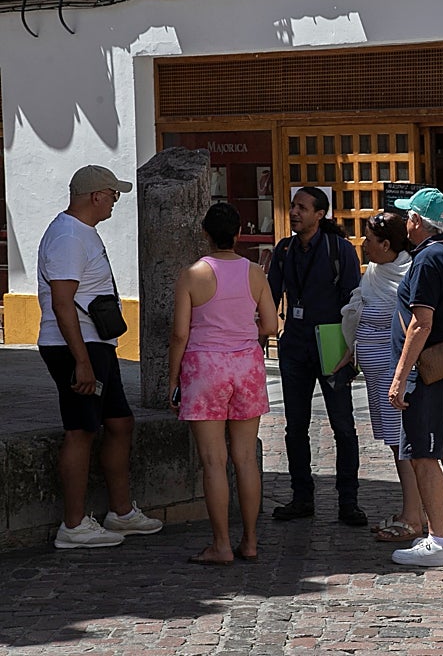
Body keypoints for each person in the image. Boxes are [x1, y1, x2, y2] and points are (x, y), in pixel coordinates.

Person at [38, 165, 163, 549]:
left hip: (95, 344)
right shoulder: (68, 236)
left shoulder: (81, 233)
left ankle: (121, 511)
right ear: (95, 196)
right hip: (76, 345)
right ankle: (73, 526)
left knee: (120, 422)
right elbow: (62, 303)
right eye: (113, 194)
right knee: (81, 428)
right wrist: (82, 361)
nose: (115, 201)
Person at [167, 202, 278, 564]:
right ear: (239, 234)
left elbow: (180, 335)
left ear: (205, 233)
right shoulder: (255, 273)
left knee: (214, 461)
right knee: (245, 459)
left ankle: (221, 544)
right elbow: (271, 325)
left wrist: (172, 380)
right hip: (246, 366)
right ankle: (251, 540)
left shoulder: (191, 275)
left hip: (205, 368)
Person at [267, 187, 365, 526]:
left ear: (319, 214)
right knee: (295, 426)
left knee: (343, 426)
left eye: (302, 208)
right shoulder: (284, 250)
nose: (294, 212)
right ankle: (301, 496)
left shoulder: (340, 250)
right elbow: (269, 295)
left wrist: (351, 350)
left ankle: (348, 502)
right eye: (293, 206)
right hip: (294, 345)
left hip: (332, 344)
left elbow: (355, 303)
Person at [386, 188, 443, 567]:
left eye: (409, 216)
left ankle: (438, 539)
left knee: (423, 455)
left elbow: (421, 323)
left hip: (429, 372)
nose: (405, 221)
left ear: (418, 221)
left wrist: (400, 376)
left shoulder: (426, 259)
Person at [335, 211, 425, 543]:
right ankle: (414, 510)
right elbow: (360, 312)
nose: (363, 244)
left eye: (370, 239)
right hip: (375, 372)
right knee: (395, 443)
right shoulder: (373, 271)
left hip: (396, 372)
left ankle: (414, 516)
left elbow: (413, 326)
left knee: (405, 445)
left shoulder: (407, 274)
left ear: (387, 244)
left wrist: (401, 374)